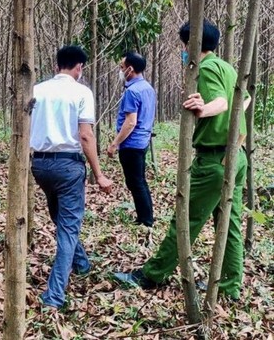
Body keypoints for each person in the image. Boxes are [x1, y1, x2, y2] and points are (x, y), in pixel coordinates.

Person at [114, 19, 250, 302]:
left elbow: (223, 102)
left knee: (185, 219)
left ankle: (152, 274)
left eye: (185, 45)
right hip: (236, 157)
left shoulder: (208, 68)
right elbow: (243, 100)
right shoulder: (227, 67)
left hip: (214, 159)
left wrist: (205, 108)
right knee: (230, 223)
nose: (183, 51)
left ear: (193, 44)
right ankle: (230, 286)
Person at [30, 45, 113, 310]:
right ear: (79, 67)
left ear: (57, 66)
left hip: (40, 165)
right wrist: (99, 174)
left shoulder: (37, 90)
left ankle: (81, 262)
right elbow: (86, 135)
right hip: (68, 166)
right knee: (68, 227)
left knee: (59, 217)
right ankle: (54, 296)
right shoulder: (81, 92)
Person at [106, 52, 156, 227]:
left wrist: (115, 143)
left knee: (135, 182)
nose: (120, 71)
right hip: (143, 142)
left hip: (132, 144)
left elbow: (130, 122)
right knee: (139, 181)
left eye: (121, 67)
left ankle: (145, 220)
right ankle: (146, 216)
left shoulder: (133, 91)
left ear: (130, 69)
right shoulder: (148, 88)